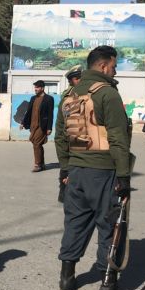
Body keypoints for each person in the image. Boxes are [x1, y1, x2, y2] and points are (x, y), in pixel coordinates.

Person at [58, 45, 133, 290]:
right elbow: (118, 138)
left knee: (75, 224)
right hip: (104, 172)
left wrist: (66, 169)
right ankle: (108, 289)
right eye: (114, 66)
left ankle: (66, 280)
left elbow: (60, 138)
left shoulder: (69, 96)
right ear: (102, 66)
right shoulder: (107, 94)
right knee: (111, 226)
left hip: (76, 172)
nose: (115, 71)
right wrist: (124, 176)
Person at [54, 65, 83, 202]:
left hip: (88, 151)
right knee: (67, 174)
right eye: (77, 79)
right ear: (72, 81)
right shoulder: (67, 98)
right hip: (70, 147)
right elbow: (60, 132)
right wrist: (64, 162)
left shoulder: (93, 95)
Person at [21, 80, 55, 172]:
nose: (35, 89)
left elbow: (50, 114)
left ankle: (37, 165)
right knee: (37, 143)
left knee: (36, 143)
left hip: (42, 125)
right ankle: (42, 164)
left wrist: (49, 128)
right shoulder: (33, 98)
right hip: (33, 125)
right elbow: (28, 112)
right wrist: (23, 122)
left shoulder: (49, 99)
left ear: (42, 88)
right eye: (35, 87)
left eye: (37, 87)